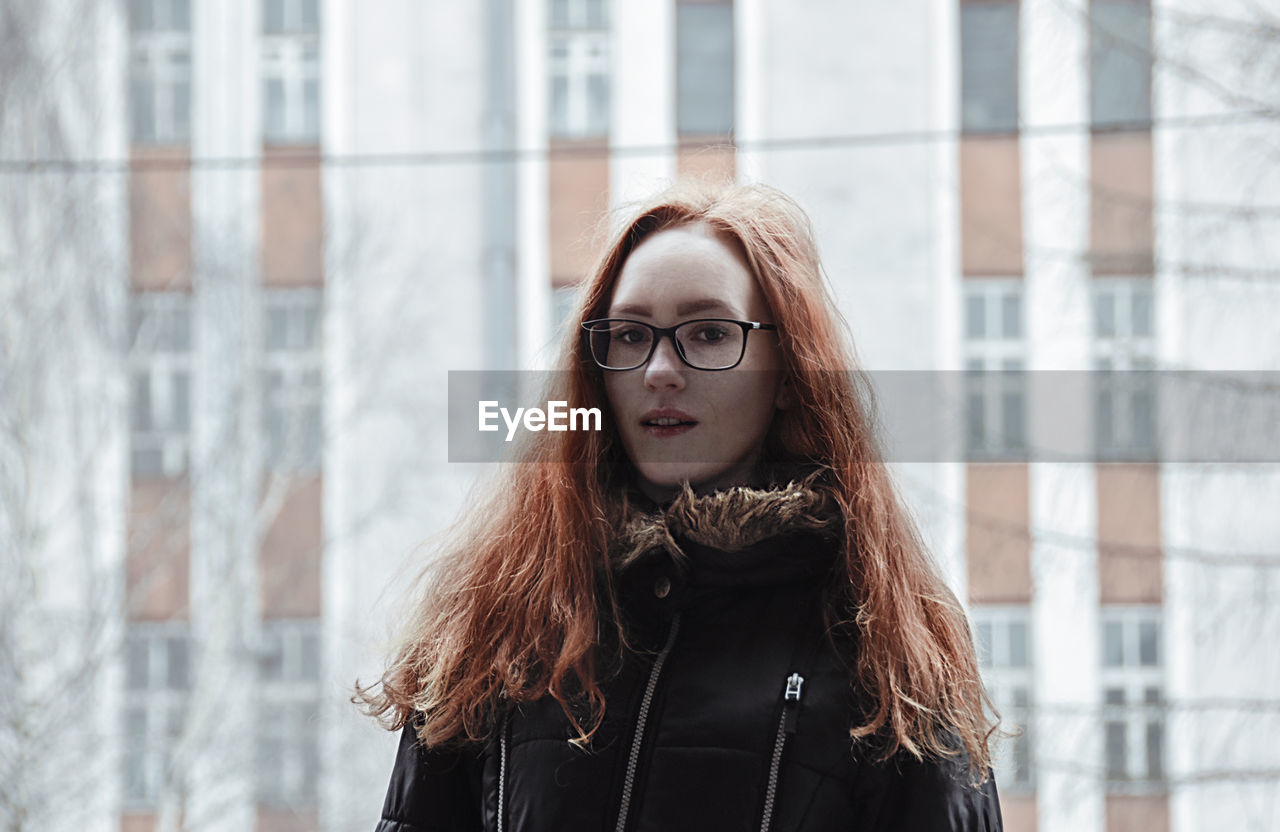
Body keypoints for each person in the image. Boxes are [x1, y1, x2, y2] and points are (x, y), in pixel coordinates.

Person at [355, 181, 1005, 831]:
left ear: (788, 370)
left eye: (710, 333)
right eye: (631, 336)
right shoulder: (500, 620)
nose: (660, 370)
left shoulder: (887, 645)